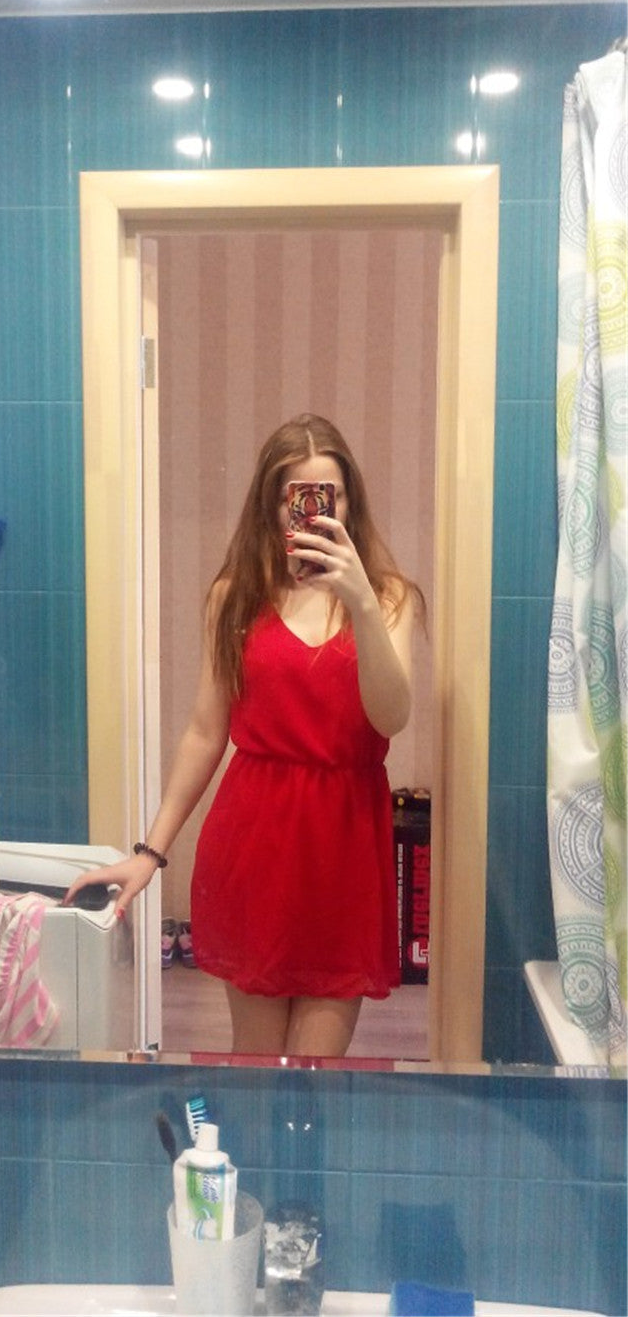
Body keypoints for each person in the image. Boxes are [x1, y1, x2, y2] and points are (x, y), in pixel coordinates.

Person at [64, 413, 423, 1058]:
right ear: (271, 505)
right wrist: (150, 853)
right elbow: (206, 732)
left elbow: (390, 716)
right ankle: (230, 1132)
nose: (313, 511)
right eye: (296, 497)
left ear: (350, 502)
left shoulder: (389, 598)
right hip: (255, 841)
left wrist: (362, 602)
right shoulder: (234, 598)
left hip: (344, 847)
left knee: (317, 1072)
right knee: (255, 1066)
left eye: (329, 495)